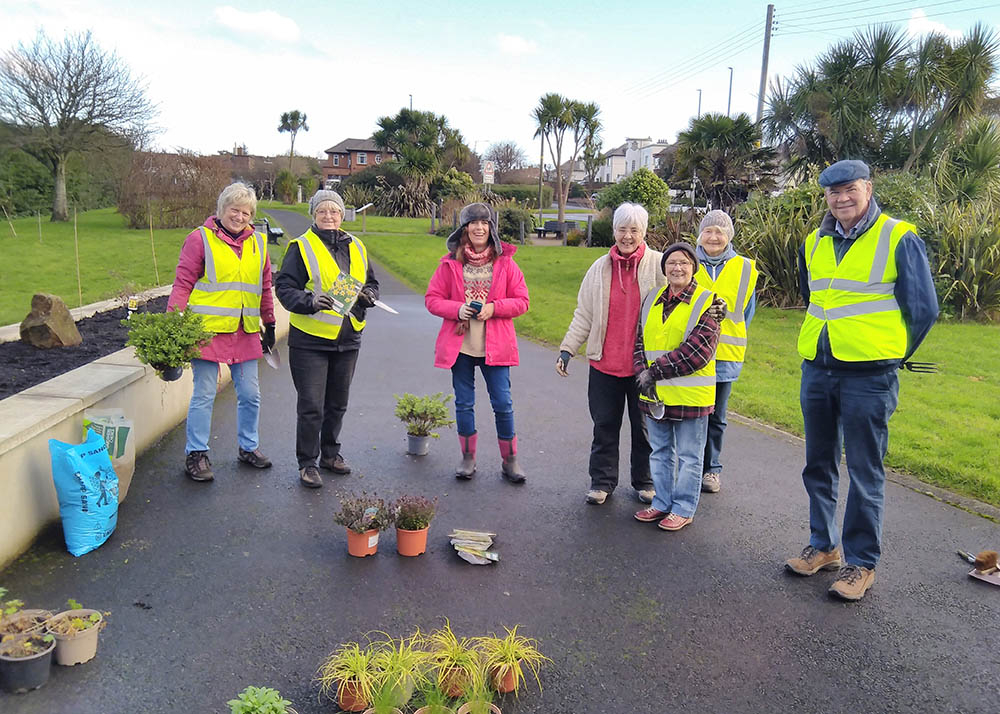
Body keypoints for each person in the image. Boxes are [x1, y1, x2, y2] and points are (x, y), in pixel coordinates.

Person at [785, 159, 938, 601]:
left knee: (865, 470)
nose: (841, 199)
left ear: (867, 188)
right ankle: (823, 545)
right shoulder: (814, 241)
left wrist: (892, 353)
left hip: (870, 375)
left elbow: (923, 309)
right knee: (818, 464)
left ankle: (860, 564)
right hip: (818, 367)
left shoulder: (897, 236)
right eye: (833, 193)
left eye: (849, 189)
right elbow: (812, 295)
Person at [556, 202, 665, 506]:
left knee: (645, 429)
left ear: (643, 232)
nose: (627, 236)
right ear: (614, 231)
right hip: (604, 363)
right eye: (622, 229)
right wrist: (568, 349)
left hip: (644, 367)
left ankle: (645, 481)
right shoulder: (598, 269)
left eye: (634, 230)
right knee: (604, 425)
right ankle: (602, 481)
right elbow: (584, 314)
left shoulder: (658, 265)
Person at [168, 182, 275, 482]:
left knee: (251, 395)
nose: (239, 217)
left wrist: (271, 322)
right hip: (206, 331)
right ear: (221, 210)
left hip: (244, 331)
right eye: (234, 210)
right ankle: (196, 454)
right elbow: (182, 283)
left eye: (245, 212)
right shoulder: (199, 239)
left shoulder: (259, 244)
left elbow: (264, 287)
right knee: (204, 393)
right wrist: (173, 323)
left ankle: (248, 447)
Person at [274, 190, 379, 489]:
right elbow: (285, 287)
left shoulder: (357, 245)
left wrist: (370, 295)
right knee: (311, 405)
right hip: (311, 339)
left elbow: (371, 282)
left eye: (334, 210)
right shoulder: (301, 246)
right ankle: (307, 463)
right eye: (322, 211)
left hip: (348, 336)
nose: (329, 216)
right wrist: (309, 301)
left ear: (343, 213)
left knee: (337, 403)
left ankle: (331, 455)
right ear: (314, 215)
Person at [425, 202, 530, 483]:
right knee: (464, 403)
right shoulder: (449, 263)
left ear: (491, 228)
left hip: (496, 345)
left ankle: (510, 461)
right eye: (473, 223)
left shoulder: (506, 263)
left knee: (503, 403)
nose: (479, 228)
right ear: (465, 229)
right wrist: (457, 309)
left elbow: (522, 301)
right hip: (460, 346)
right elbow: (432, 299)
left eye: (484, 223)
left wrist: (493, 308)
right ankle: (468, 458)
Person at [633, 243, 720, 531]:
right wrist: (640, 372)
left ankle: (683, 508)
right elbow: (639, 344)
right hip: (656, 395)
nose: (677, 268)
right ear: (664, 268)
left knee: (689, 457)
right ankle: (661, 503)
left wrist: (652, 372)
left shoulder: (708, 302)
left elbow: (698, 352)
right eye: (671, 263)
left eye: (683, 262)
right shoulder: (651, 299)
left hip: (690, 395)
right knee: (658, 452)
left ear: (693, 267)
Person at [693, 210, 758, 494]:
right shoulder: (688, 262)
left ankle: (711, 469)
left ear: (729, 236)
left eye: (720, 231)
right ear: (700, 235)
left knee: (717, 417)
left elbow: (747, 312)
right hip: (691, 354)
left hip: (725, 356)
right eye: (708, 231)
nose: (714, 237)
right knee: (691, 414)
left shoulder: (744, 267)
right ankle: (690, 467)